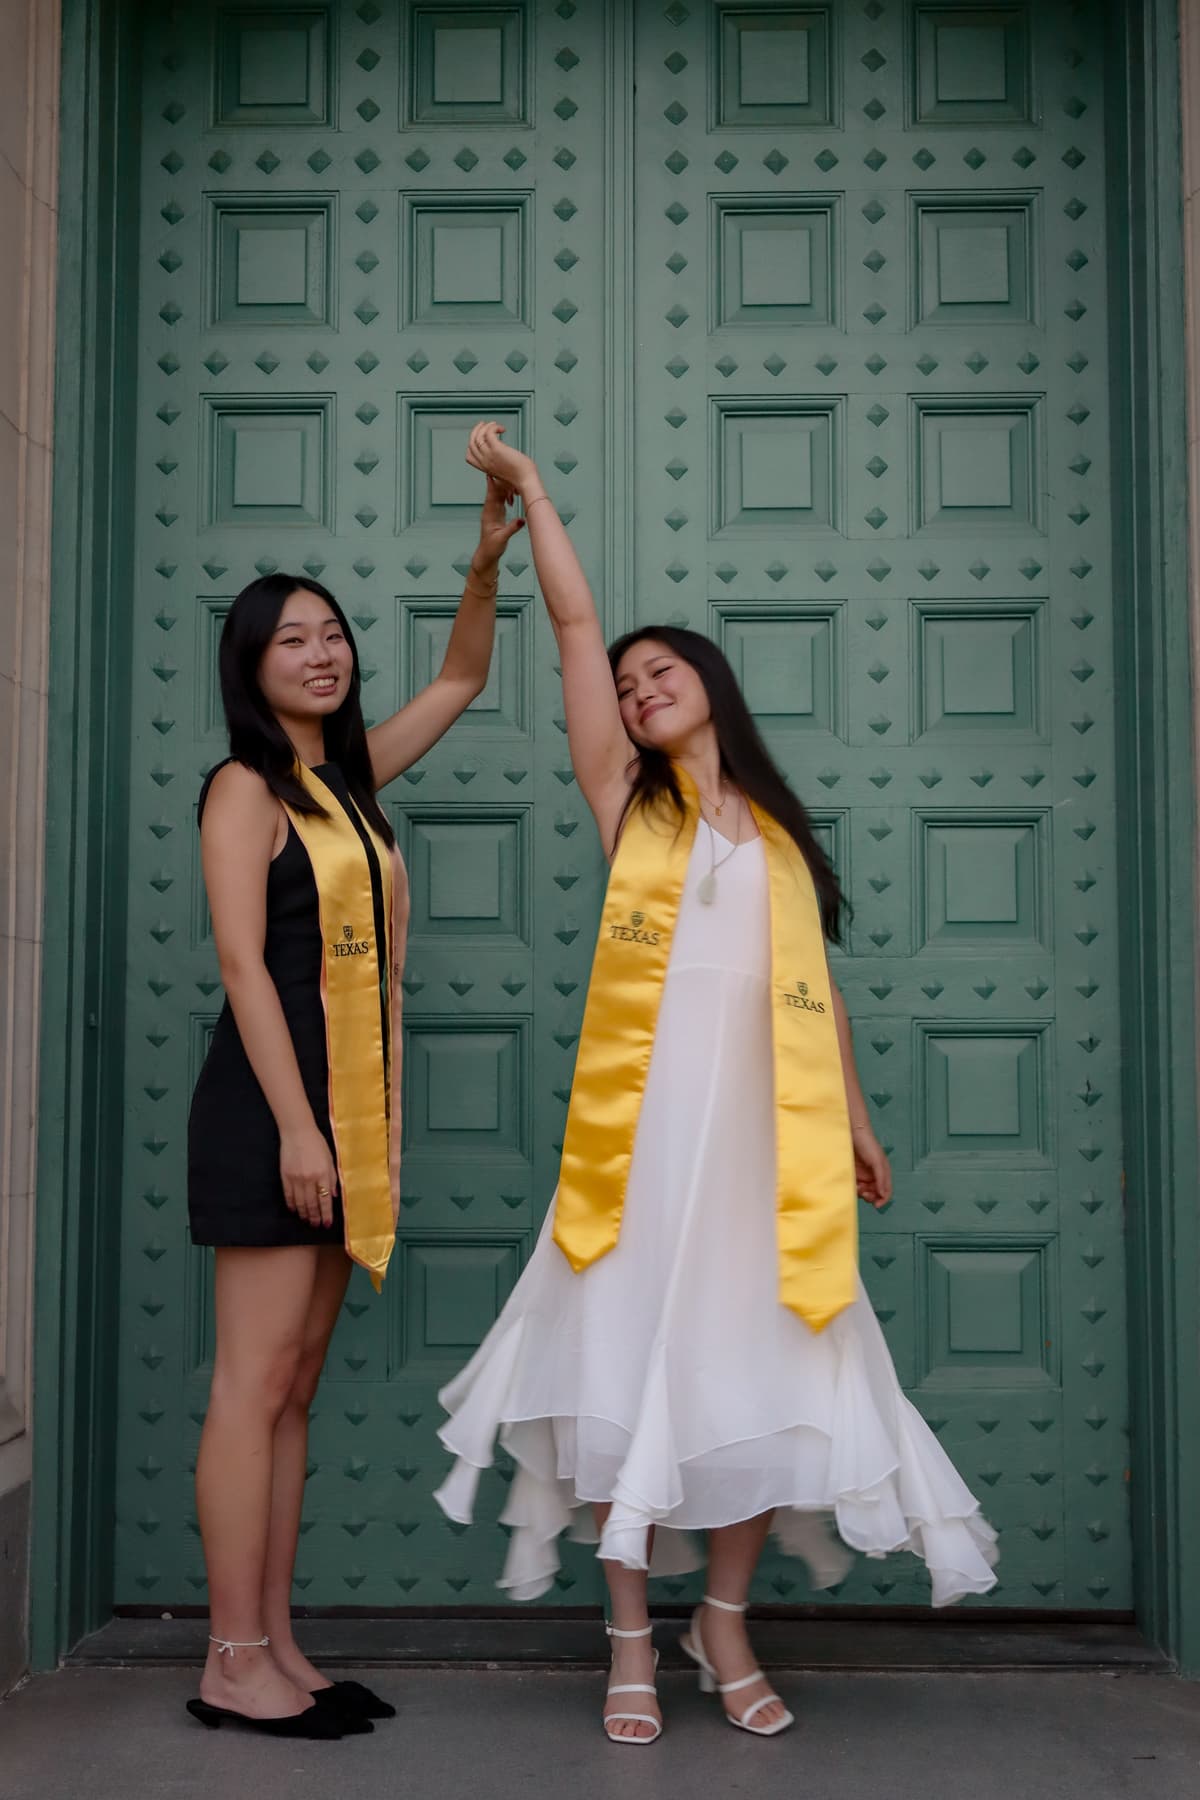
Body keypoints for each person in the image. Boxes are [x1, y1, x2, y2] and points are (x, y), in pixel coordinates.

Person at [434, 422, 998, 1746]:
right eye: (628, 684)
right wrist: (533, 496)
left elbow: (813, 992)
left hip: (762, 1155)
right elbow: (575, 627)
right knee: (623, 1370)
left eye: (663, 672)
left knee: (762, 1380)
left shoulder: (779, 837)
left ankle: (723, 1622)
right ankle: (632, 1637)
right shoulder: (630, 806)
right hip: (640, 1146)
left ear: (712, 686)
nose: (638, 690)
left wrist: (856, 1120)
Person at [186, 475, 523, 1738]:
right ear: (251, 666)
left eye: (332, 635)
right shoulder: (245, 788)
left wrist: (483, 563)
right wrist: (297, 1127)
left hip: (344, 1117)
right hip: (272, 1113)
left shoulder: (348, 781)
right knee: (251, 1384)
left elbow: (462, 678)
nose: (321, 655)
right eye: (293, 640)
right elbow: (241, 965)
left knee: (295, 1385)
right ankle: (229, 1661)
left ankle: (276, 1641)